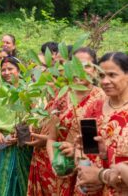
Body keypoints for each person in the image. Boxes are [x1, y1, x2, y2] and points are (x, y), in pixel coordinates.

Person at [44, 47, 105, 195]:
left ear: (96, 70)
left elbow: (97, 146)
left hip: (87, 173)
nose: (80, 70)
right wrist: (55, 163)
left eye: (86, 66)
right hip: (63, 169)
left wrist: (76, 151)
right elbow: (51, 138)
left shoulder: (101, 99)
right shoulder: (62, 96)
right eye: (75, 65)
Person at [77, 52, 128, 195]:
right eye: (101, 76)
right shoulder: (94, 107)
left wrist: (101, 176)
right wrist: (85, 172)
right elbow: (83, 150)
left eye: (112, 75)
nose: (105, 81)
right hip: (92, 188)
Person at [0, 56, 33, 196]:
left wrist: (19, 136)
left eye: (10, 69)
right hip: (5, 145)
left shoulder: (29, 90)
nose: (6, 72)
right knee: (6, 179)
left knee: (24, 180)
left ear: (19, 71)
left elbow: (35, 117)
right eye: (3, 69)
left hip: (25, 143)